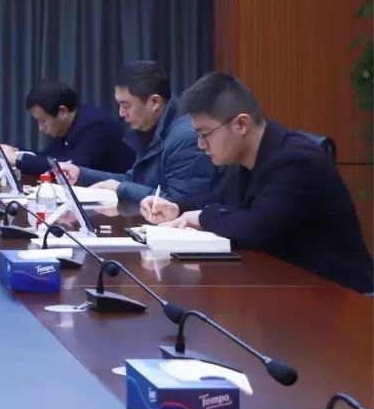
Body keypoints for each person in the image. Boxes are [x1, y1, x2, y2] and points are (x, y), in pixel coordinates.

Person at [140, 72, 373, 294]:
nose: (201, 145)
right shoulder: (242, 161)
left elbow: (258, 228)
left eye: (205, 134)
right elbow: (218, 201)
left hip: (343, 299)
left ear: (241, 124)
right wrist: (178, 209)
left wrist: (202, 217)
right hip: (288, 290)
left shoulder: (296, 161)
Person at [60, 61, 215, 209]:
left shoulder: (186, 137)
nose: (121, 113)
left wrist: (121, 188)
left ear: (155, 102)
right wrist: (81, 174)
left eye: (126, 105)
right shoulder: (151, 127)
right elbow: (134, 180)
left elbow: (179, 203)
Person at [2, 79, 134, 175]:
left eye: (43, 121)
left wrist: (17, 159)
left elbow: (68, 168)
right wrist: (17, 152)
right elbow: (49, 157)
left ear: (62, 112)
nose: (41, 128)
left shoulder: (96, 127)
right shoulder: (66, 126)